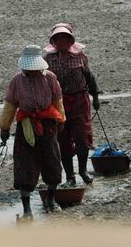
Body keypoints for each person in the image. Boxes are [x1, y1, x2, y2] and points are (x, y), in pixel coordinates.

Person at [0, 45, 66, 218]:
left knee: (52, 160)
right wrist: (4, 128)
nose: (31, 72)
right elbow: (10, 106)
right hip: (26, 125)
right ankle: (27, 208)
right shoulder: (16, 81)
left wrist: (61, 120)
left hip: (48, 124)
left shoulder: (50, 78)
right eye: (28, 69)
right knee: (25, 163)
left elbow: (58, 101)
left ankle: (50, 199)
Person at [43, 23, 100, 186]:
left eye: (64, 37)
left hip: (80, 101)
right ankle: (70, 175)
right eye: (57, 38)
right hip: (58, 103)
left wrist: (95, 97)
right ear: (53, 41)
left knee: (82, 137)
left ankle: (83, 170)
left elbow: (89, 77)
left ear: (70, 39)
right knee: (63, 139)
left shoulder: (80, 56)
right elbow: (45, 84)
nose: (61, 40)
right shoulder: (47, 60)